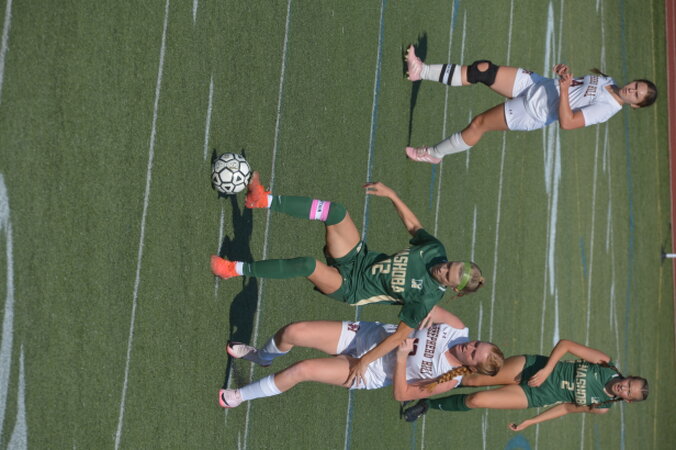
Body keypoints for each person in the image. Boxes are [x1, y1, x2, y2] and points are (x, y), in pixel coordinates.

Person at [211, 173, 484, 386]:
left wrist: (365, 361)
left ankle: (234, 269)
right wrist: (392, 195)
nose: (443, 268)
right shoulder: (435, 251)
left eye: (447, 275)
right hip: (359, 259)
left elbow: (399, 336)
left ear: (452, 289)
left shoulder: (426, 298)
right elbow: (415, 227)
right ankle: (263, 199)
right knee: (336, 212)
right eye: (450, 264)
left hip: (352, 287)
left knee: (307, 265)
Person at [403, 45, 658, 164]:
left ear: (635, 105)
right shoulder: (608, 81)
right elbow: (574, 87)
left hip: (532, 111)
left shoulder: (607, 109)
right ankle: (420, 70)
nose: (632, 89)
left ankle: (434, 154)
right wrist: (564, 75)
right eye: (636, 85)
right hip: (537, 85)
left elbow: (568, 123)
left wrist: (564, 90)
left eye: (636, 95)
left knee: (479, 124)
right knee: (483, 70)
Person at [217, 306, 504, 408]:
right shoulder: (457, 329)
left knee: (303, 369)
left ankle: (240, 396)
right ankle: (263, 357)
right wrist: (419, 311)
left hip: (369, 371)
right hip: (366, 336)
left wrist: (401, 358)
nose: (469, 346)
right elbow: (425, 307)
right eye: (476, 343)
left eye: (473, 353)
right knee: (292, 331)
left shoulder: (447, 380)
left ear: (471, 366)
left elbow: (402, 394)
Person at [402, 339, 648, 431]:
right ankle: (420, 381)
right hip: (531, 367)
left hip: (533, 396)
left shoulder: (602, 406)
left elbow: (565, 407)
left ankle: (427, 404)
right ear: (628, 377)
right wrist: (547, 369)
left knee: (476, 400)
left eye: (630, 392)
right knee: (471, 379)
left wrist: (531, 422)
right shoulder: (605, 364)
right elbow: (565, 345)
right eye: (630, 383)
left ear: (628, 400)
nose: (625, 388)